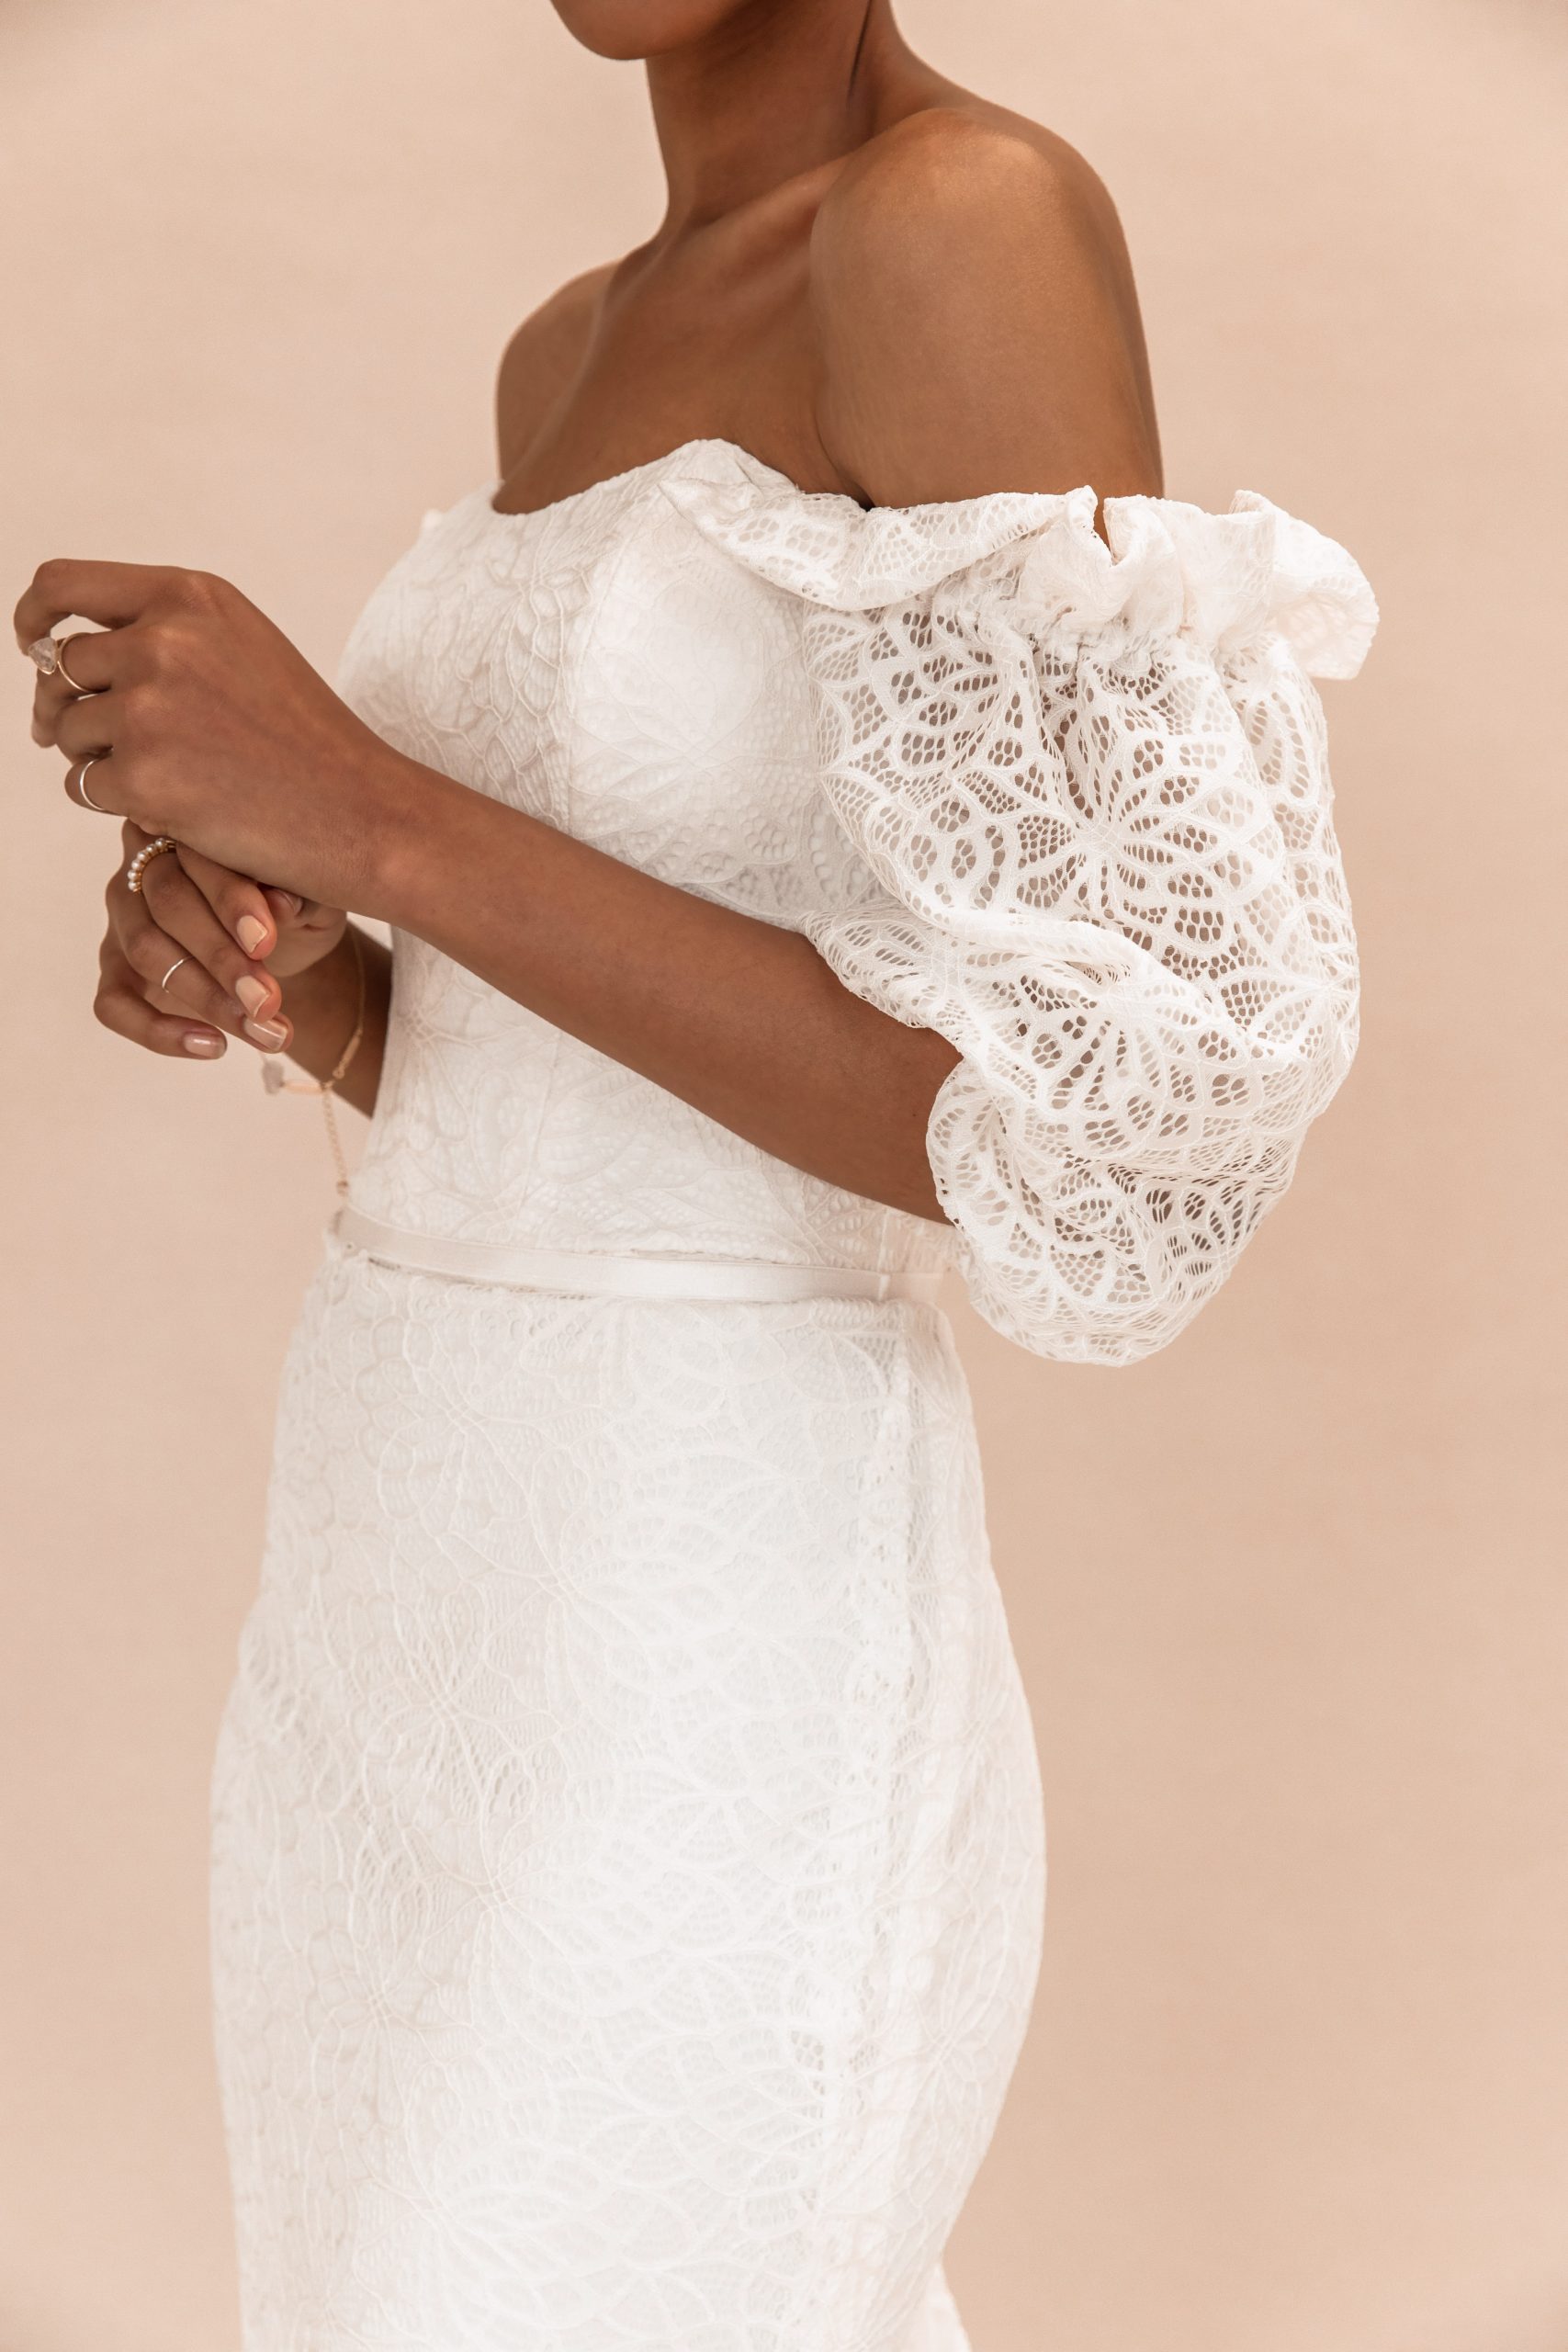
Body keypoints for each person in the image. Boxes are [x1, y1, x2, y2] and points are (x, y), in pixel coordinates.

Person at [14, 2, 1378, 2343]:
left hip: (698, 1591)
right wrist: (309, 983)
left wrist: (368, 810)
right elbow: (579, 1077)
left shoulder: (955, 225)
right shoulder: (562, 346)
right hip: (393, 1562)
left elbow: (1102, 1112)